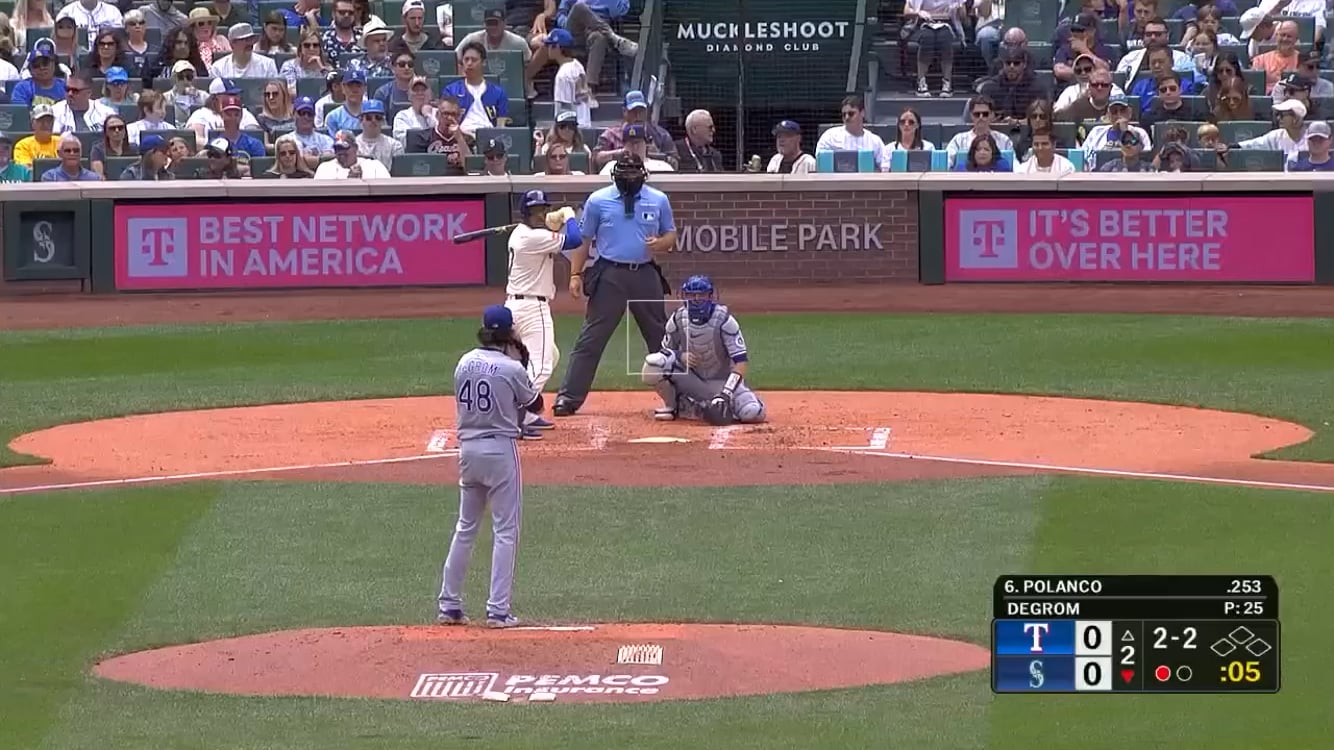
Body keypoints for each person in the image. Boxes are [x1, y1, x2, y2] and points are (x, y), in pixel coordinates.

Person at [436, 304, 544, 629]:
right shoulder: (512, 369)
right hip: (499, 451)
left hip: (468, 450)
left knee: (465, 527)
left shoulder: (464, 361)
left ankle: (449, 604)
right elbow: (535, 404)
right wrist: (522, 363)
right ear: (510, 332)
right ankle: (498, 610)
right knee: (505, 531)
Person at [553, 154, 675, 417]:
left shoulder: (658, 199)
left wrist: (662, 243)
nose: (630, 179)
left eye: (634, 173)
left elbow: (671, 234)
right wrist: (575, 274)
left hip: (645, 273)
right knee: (592, 338)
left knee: (661, 337)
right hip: (610, 274)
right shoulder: (598, 200)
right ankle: (569, 398)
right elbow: (584, 240)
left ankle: (680, 396)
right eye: (625, 174)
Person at [504, 189, 583, 436]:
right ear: (526, 213)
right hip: (532, 307)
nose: (543, 214)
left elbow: (549, 233)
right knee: (543, 366)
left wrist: (553, 220)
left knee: (549, 354)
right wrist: (569, 216)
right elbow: (574, 239)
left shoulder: (522, 233)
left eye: (544, 209)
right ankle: (513, 413)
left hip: (517, 306)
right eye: (537, 210)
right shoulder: (531, 238)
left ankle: (525, 413)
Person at [640, 275, 767, 425]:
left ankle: (710, 406)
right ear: (684, 296)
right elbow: (664, 353)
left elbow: (741, 362)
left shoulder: (724, 320)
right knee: (654, 365)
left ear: (710, 296)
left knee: (752, 413)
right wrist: (680, 356)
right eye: (691, 295)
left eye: (701, 294)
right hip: (693, 380)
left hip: (722, 383)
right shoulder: (678, 318)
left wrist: (726, 394)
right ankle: (673, 406)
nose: (696, 299)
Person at [314, 129, 391, 178]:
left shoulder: (374, 166)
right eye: (337, 149)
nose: (341, 152)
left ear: (355, 148)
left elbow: (387, 189)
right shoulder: (325, 168)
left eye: (345, 147)